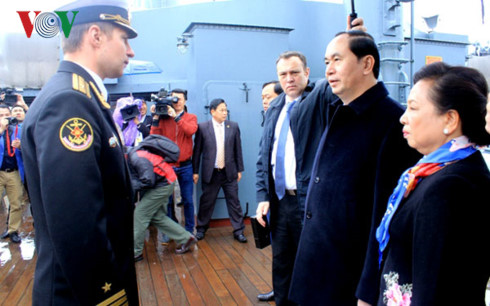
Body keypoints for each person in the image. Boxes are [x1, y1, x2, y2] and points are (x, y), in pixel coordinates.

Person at [288, 31, 420, 305]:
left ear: (367, 64)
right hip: (315, 270)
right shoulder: (339, 111)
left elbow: (386, 216)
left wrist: (369, 290)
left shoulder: (391, 124)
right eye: (326, 61)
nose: (329, 69)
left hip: (347, 280)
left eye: (337, 59)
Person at [21, 1, 139, 305]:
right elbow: (78, 225)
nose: (131, 51)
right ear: (96, 36)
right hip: (84, 295)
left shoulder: (79, 96)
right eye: (124, 39)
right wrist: (111, 297)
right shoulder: (69, 103)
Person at [255, 18, 367, 305]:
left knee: (313, 265)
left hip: (310, 203)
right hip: (280, 203)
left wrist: (355, 39)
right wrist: (262, 196)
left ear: (307, 72)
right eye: (283, 74)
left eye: (294, 72)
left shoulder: (320, 100)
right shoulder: (274, 108)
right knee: (281, 264)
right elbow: (263, 156)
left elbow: (335, 85)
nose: (289, 79)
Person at [361, 62, 490, 305]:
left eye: (413, 108)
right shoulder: (434, 172)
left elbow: (436, 289)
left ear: (450, 119)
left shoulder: (451, 186)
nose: (403, 117)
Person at [129, 135, 197, 261]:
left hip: (163, 185)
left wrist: (131, 186)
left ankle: (136, 252)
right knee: (157, 217)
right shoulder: (135, 153)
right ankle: (186, 238)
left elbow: (148, 180)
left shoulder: (136, 158)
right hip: (166, 180)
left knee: (140, 214)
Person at [192, 98, 246, 242]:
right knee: (206, 202)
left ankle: (239, 231)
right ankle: (201, 229)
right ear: (212, 111)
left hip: (229, 172)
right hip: (211, 173)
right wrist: (195, 171)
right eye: (221, 110)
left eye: (226, 110)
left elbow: (237, 149)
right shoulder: (203, 127)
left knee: (234, 202)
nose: (225, 113)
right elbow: (197, 152)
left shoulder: (233, 126)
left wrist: (239, 169)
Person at [151, 88, 197, 234]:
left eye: (179, 99)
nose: (176, 102)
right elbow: (154, 136)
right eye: (173, 99)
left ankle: (189, 229)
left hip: (185, 165)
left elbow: (190, 131)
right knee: (168, 201)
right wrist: (156, 118)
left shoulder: (191, 117)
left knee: (188, 200)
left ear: (185, 101)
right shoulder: (164, 118)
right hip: (168, 165)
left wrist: (176, 117)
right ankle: (171, 231)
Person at [0, 105, 24, 244]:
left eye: (6, 115)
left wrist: (20, 146)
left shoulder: (17, 130)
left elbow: (28, 148)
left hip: (13, 171)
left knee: (16, 203)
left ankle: (12, 230)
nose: (4, 118)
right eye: (0, 115)